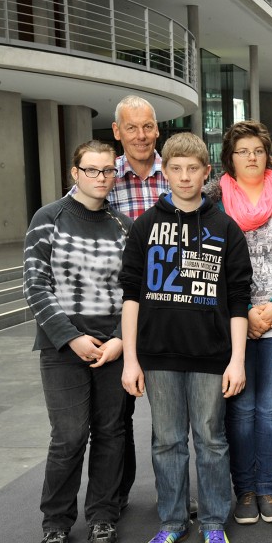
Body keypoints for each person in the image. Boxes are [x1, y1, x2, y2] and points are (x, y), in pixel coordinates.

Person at [120, 133, 253, 543]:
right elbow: (130, 295)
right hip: (158, 356)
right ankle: (172, 522)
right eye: (175, 168)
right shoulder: (144, 226)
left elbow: (238, 299)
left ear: (206, 172)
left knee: (211, 440)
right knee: (167, 441)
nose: (183, 176)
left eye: (192, 168)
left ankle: (214, 522)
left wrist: (237, 360)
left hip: (212, 356)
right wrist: (131, 359)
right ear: (166, 172)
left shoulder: (224, 227)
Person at [25, 140, 132, 543]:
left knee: (111, 433)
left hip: (112, 348)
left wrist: (122, 339)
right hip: (62, 348)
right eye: (92, 170)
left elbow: (132, 291)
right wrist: (70, 337)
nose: (101, 178)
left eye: (108, 171)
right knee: (69, 437)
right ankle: (56, 522)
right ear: (75, 172)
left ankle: (103, 514)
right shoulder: (48, 218)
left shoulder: (123, 226)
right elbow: (35, 285)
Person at [70, 95, 171, 514]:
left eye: (147, 126)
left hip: (171, 314)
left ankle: (173, 495)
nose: (141, 135)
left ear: (157, 129)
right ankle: (116, 495)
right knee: (116, 417)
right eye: (131, 127)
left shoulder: (178, 173)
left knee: (170, 416)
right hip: (119, 316)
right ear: (116, 132)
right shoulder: (103, 177)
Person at [206, 120, 272, 527]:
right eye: (242, 151)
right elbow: (209, 265)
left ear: (268, 156)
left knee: (271, 409)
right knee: (241, 409)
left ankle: (267, 487)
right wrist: (242, 311)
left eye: (258, 151)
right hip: (233, 321)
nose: (251, 157)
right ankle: (244, 489)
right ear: (230, 157)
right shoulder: (213, 202)